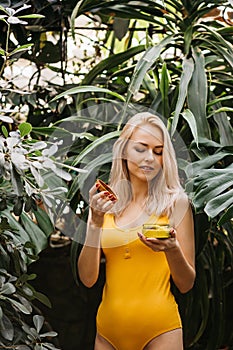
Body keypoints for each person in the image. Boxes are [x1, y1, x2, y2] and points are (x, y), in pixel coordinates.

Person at [78, 112, 195, 350]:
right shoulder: (104, 203)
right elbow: (87, 279)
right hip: (107, 334)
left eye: (158, 151)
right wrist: (95, 223)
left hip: (161, 331)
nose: (150, 158)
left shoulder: (176, 203)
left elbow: (186, 283)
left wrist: (172, 250)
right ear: (124, 151)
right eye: (141, 149)